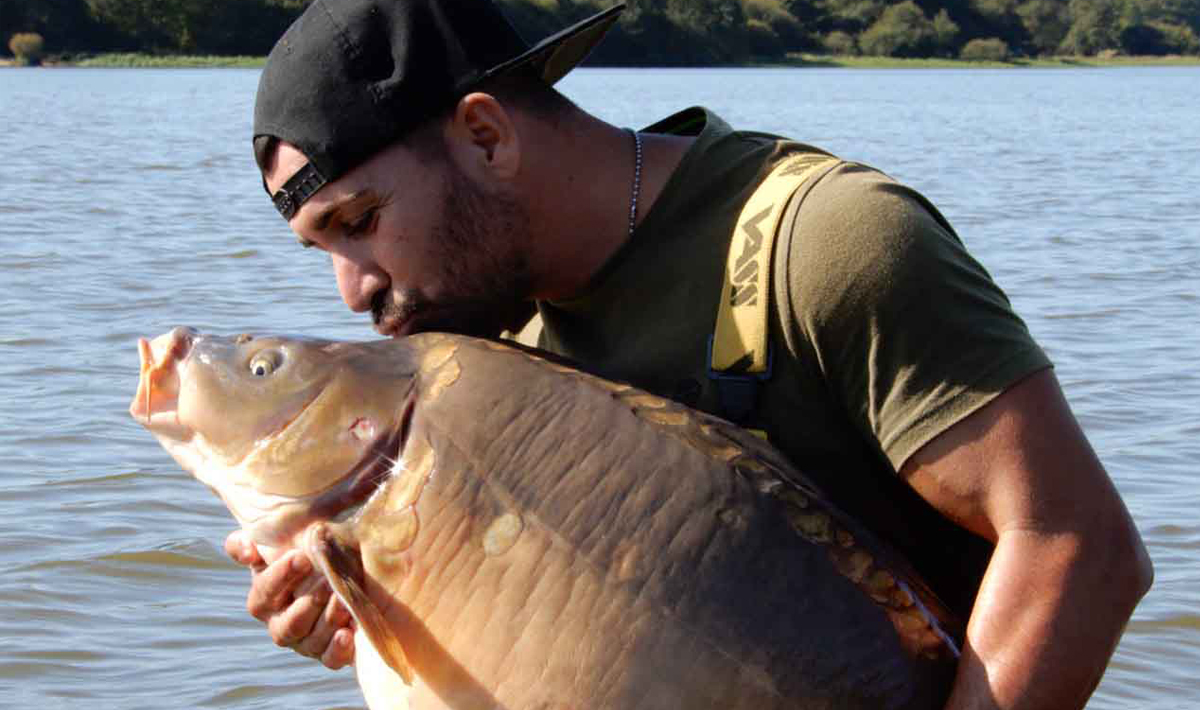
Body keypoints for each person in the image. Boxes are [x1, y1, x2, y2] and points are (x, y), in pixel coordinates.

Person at [226, 0, 1153, 707]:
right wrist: (371, 612)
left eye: (362, 223)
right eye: (324, 248)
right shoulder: (482, 333)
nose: (355, 290)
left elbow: (1077, 545)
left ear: (485, 135)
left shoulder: (826, 243)